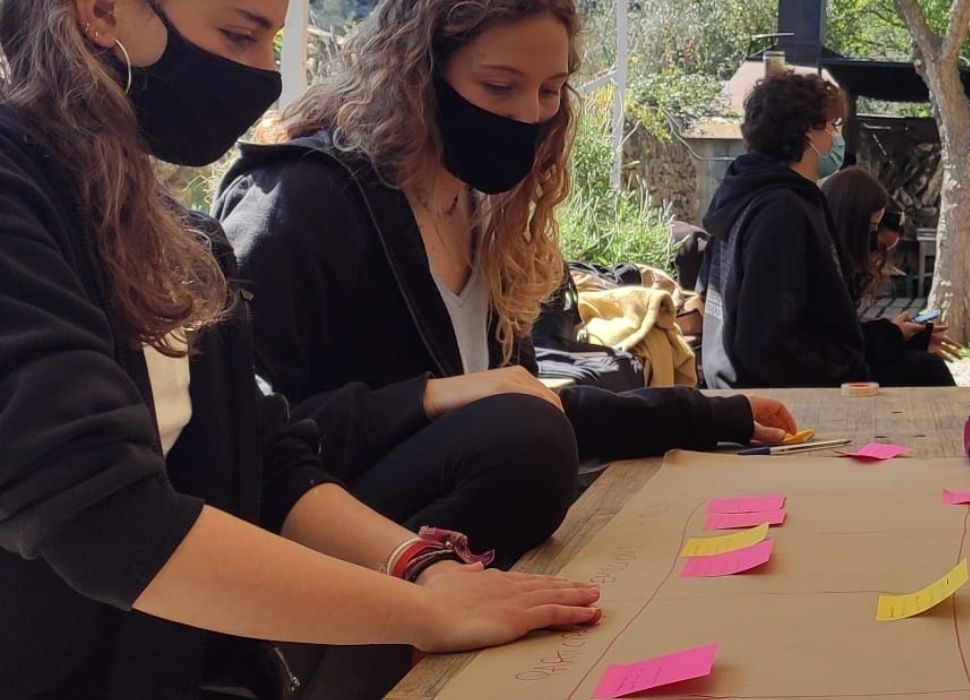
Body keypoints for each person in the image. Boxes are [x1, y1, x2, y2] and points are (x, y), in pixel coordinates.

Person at [0, 1, 603, 697]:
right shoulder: (20, 196)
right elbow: (100, 517)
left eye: (271, 42)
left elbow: (270, 459)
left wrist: (421, 565)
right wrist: (423, 612)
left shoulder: (182, 242)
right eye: (238, 33)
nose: (263, 76)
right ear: (101, 11)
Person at [216, 0, 798, 563]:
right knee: (524, 437)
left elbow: (520, 399)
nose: (529, 115)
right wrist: (430, 398)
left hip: (446, 549)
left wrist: (714, 415)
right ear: (418, 73)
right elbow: (236, 434)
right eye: (499, 86)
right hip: (325, 553)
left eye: (550, 91)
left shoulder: (483, 215)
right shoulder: (304, 200)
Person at [698, 70, 872, 389]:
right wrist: (846, 368)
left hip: (734, 382)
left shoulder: (740, 194)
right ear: (808, 132)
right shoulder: (781, 210)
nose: (836, 137)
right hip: (782, 396)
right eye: (833, 126)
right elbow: (767, 341)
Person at [819, 166, 959, 386]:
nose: (877, 258)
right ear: (851, 228)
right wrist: (892, 334)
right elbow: (834, 348)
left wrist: (902, 336)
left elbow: (849, 337)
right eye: (875, 241)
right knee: (927, 368)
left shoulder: (840, 271)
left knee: (926, 365)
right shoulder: (823, 270)